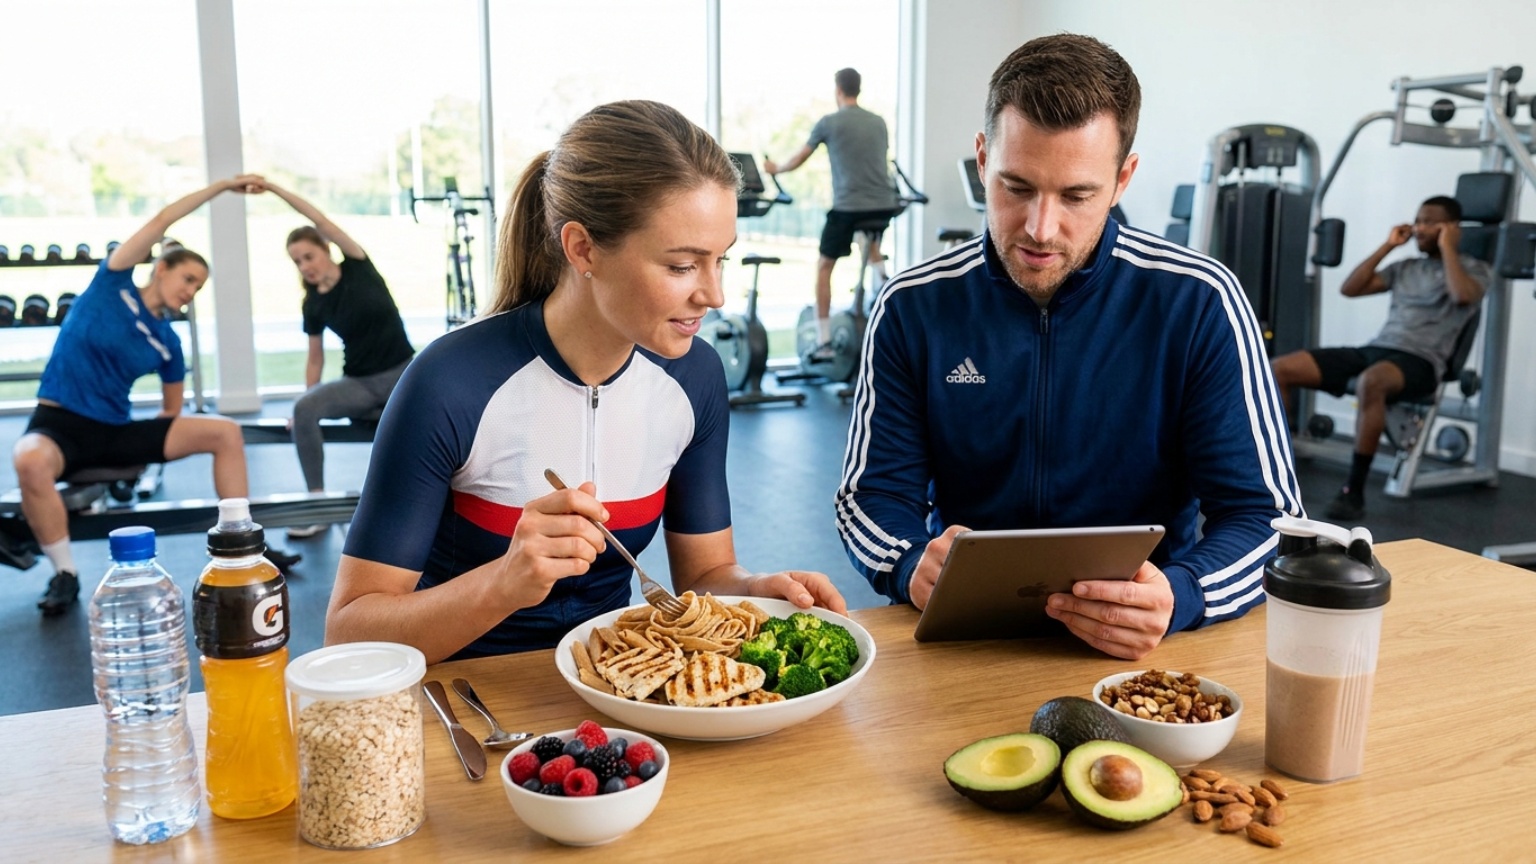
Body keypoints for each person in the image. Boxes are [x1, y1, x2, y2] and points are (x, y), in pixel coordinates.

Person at [834, 34, 1303, 661]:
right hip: (961, 643)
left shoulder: (1199, 302)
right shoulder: (913, 307)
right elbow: (873, 497)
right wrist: (909, 562)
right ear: (982, 159)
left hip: (1139, 647)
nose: (1039, 228)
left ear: (1122, 180)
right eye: (1017, 187)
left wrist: (1182, 594)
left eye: (1076, 196)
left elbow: (1266, 518)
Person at [325, 100, 847, 663]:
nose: (713, 295)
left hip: (616, 691)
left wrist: (751, 592)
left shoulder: (695, 375)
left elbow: (705, 573)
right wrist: (503, 584)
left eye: (721, 259)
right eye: (680, 266)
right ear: (583, 248)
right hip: (464, 705)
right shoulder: (450, 381)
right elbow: (349, 632)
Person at [12, 176, 300, 616]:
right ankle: (65, 574)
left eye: (198, 287)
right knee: (28, 458)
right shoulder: (110, 287)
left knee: (224, 432)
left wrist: (149, 453)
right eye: (187, 278)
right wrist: (222, 187)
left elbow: (170, 412)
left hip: (114, 430)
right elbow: (164, 218)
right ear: (161, 267)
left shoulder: (168, 342)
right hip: (59, 424)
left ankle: (244, 542)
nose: (190, 291)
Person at [1271, 196, 1489, 521]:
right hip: (1378, 349)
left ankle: (1353, 492)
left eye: (1431, 223)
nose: (1420, 229)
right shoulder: (1405, 267)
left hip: (1422, 361)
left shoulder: (1473, 269)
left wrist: (1447, 248)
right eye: (1418, 220)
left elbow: (1462, 296)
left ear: (1451, 229)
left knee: (1370, 381)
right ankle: (1277, 477)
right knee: (1279, 369)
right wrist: (1388, 246)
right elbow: (1350, 288)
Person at [258, 180, 416, 539]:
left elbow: (319, 219)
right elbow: (314, 359)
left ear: (326, 248)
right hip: (359, 383)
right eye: (297, 262)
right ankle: (319, 504)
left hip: (403, 374)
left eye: (308, 256)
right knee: (305, 410)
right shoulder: (313, 302)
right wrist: (305, 398)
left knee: (413, 418)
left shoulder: (359, 266)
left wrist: (274, 190)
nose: (304, 266)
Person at [764, 67, 898, 361]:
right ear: (858, 89)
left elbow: (799, 158)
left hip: (849, 207)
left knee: (825, 266)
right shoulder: (878, 122)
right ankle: (881, 284)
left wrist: (776, 169)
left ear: (838, 90)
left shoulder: (829, 122)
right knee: (869, 239)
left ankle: (823, 340)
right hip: (885, 204)